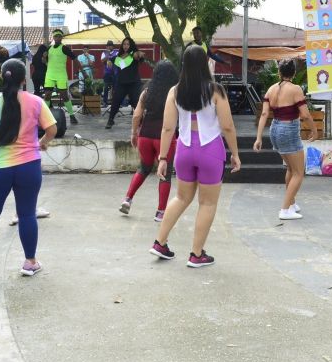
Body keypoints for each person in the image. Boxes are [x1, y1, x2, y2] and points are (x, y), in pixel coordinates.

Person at [149, 47, 240, 268]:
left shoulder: (175, 91)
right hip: (210, 151)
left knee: (181, 198)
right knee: (207, 203)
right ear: (205, 63)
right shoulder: (216, 90)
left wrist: (162, 158)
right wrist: (235, 154)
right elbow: (227, 126)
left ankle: (160, 243)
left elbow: (168, 128)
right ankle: (196, 254)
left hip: (184, 150)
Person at [0, 59, 57, 277]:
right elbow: (52, 128)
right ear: (23, 78)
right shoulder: (35, 101)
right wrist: (42, 143)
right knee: (27, 214)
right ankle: (30, 262)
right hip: (29, 166)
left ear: (1, 76)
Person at [254, 59, 317, 220]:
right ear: (294, 73)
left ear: (279, 72)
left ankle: (291, 203)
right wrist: (314, 129)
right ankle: (285, 210)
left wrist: (259, 137)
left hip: (274, 129)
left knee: (290, 168)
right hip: (288, 130)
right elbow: (305, 114)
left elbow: (264, 114)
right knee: (298, 172)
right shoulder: (295, 89)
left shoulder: (271, 89)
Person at [120, 61, 180, 222]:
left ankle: (128, 199)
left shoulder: (146, 92)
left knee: (144, 168)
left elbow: (136, 115)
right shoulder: (175, 93)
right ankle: (160, 212)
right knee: (165, 175)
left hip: (145, 136)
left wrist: (134, 133)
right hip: (164, 138)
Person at [105, 37, 145, 129]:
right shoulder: (119, 56)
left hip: (133, 83)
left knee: (136, 103)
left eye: (128, 44)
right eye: (124, 44)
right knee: (116, 102)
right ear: (122, 45)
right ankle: (110, 120)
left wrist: (139, 54)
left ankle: (142, 123)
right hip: (121, 83)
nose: (126, 46)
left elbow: (138, 55)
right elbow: (111, 59)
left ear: (131, 45)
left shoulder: (133, 54)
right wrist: (108, 61)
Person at [42, 29, 78, 124]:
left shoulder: (64, 48)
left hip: (61, 75)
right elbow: (44, 62)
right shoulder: (49, 48)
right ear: (53, 37)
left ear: (62, 37)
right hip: (49, 75)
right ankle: (45, 116)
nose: (57, 38)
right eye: (56, 36)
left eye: (59, 36)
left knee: (64, 96)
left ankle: (71, 115)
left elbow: (74, 58)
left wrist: (82, 71)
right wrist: (44, 57)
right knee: (47, 95)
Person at [101, 40, 118, 106]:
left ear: (113, 47)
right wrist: (107, 54)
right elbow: (102, 60)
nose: (109, 47)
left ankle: (116, 102)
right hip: (107, 73)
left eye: (110, 46)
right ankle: (105, 102)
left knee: (115, 88)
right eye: (108, 46)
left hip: (115, 72)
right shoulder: (104, 53)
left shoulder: (117, 52)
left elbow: (118, 60)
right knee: (105, 87)